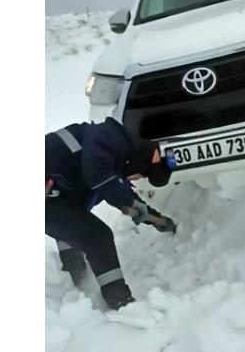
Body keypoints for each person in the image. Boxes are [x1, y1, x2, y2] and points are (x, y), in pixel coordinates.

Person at [45, 117, 176, 310]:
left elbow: (119, 190)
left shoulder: (115, 157)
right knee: (97, 235)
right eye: (142, 174)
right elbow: (101, 177)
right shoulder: (109, 136)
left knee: (75, 226)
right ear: (145, 162)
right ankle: (121, 303)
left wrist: (155, 219)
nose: (136, 178)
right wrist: (129, 203)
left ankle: (77, 285)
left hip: (55, 197)